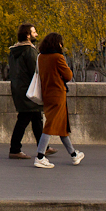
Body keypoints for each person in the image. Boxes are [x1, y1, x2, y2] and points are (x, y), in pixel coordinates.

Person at [32, 32, 84, 168]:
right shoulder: (58, 57)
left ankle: (73, 154)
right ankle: (40, 156)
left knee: (61, 125)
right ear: (57, 43)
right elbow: (68, 75)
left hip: (46, 94)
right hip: (58, 94)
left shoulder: (40, 57)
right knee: (50, 125)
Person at [7, 23, 55, 160]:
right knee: (24, 119)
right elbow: (37, 71)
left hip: (19, 89)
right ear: (27, 35)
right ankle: (15, 149)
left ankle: (43, 147)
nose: (36, 34)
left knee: (36, 118)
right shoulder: (29, 51)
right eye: (34, 32)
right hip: (29, 90)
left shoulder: (14, 51)